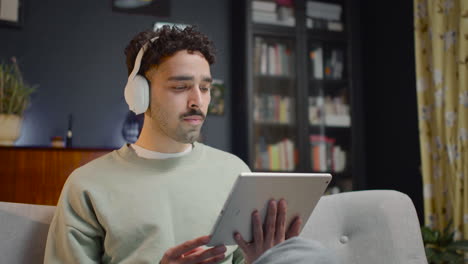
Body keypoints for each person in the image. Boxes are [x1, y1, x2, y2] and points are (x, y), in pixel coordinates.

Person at [44, 25, 337, 264]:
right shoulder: (87, 185)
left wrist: (260, 259)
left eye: (206, 88)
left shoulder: (234, 171)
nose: (198, 101)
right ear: (139, 94)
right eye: (180, 87)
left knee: (310, 256)